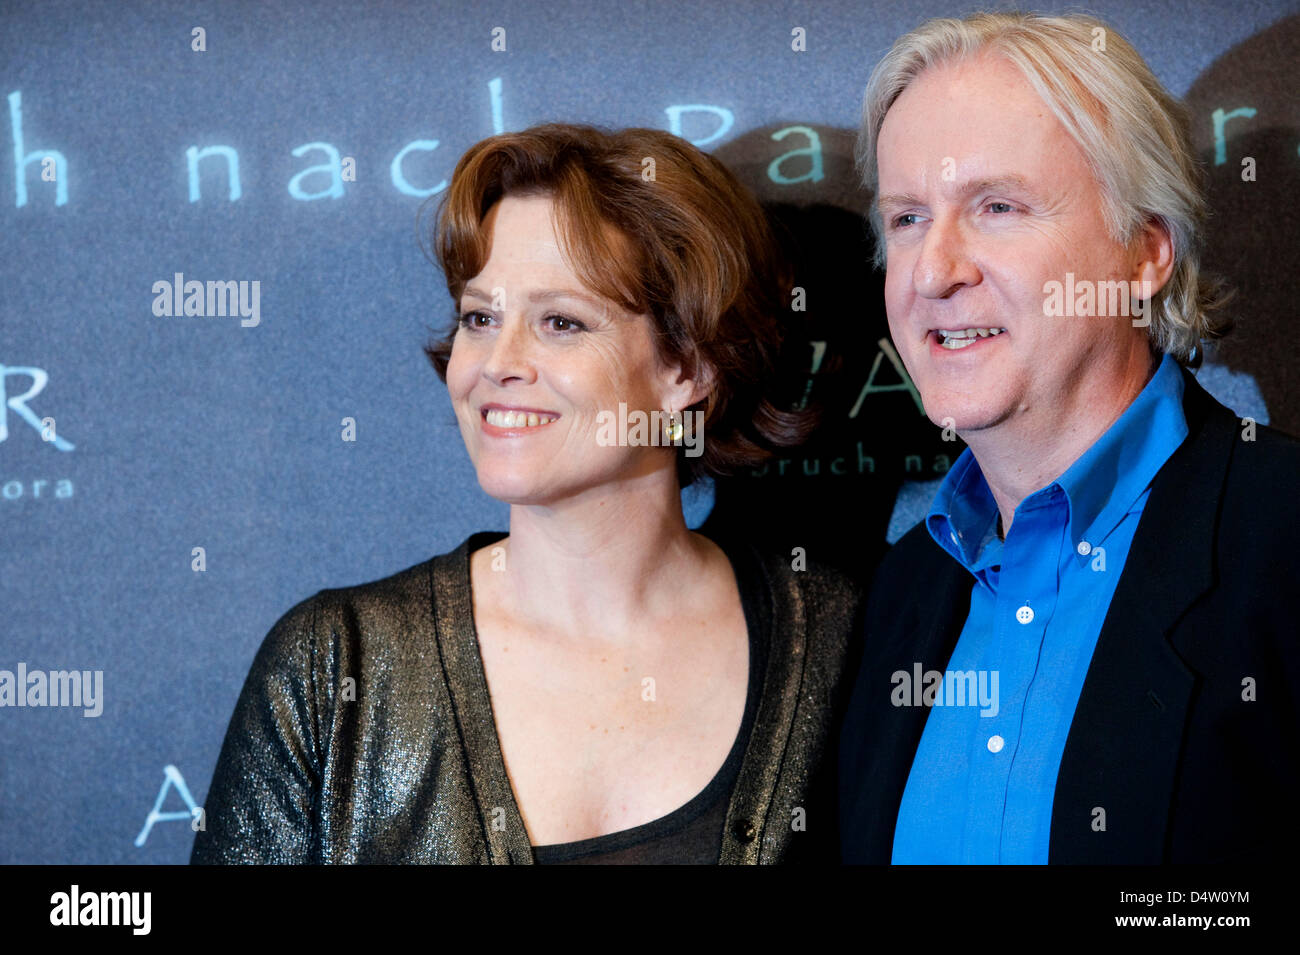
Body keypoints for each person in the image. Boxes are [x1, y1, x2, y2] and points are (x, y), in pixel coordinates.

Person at [191, 123, 861, 864]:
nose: (495, 363)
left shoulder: (837, 639)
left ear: (688, 368)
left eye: (560, 322)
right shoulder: (333, 666)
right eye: (480, 317)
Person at [838, 12, 1300, 863]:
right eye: (906, 218)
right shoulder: (900, 596)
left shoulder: (1283, 541)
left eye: (997, 206)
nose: (936, 271)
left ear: (1145, 252)